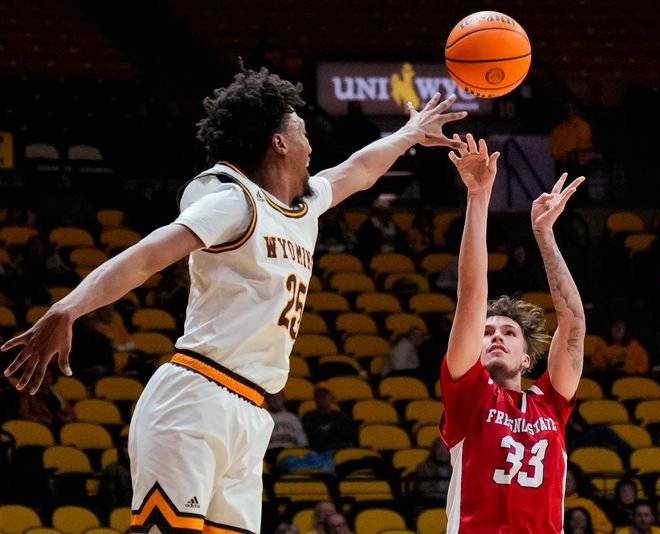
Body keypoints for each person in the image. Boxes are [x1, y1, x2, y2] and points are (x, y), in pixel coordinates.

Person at [2, 63, 466, 534]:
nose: (311, 146)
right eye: (303, 132)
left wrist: (410, 133)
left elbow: (358, 171)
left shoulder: (303, 207)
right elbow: (145, 257)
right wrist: (68, 308)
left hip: (250, 410)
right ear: (279, 143)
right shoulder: (234, 201)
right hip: (195, 399)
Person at [439, 133, 587, 532]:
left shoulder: (551, 403)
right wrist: (479, 196)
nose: (496, 336)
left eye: (508, 331)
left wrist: (545, 235)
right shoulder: (468, 397)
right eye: (486, 333)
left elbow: (573, 324)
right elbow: (471, 295)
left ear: (526, 357)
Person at [302, 383, 358, 452]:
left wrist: (331, 428)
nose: (323, 398)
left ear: (332, 398)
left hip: (345, 448)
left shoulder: (341, 415)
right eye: (319, 396)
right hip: (324, 450)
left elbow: (352, 434)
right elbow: (313, 437)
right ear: (315, 399)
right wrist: (335, 430)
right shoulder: (309, 416)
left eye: (326, 395)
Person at [16, 365, 75, 429]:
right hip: (40, 428)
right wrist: (41, 420)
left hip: (61, 426)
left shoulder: (57, 394)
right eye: (43, 376)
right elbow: (24, 414)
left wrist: (65, 418)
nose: (46, 379)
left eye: (49, 377)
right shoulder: (27, 394)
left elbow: (69, 412)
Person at [265, 391, 308, 464]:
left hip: (291, 451)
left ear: (283, 399)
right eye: (272, 397)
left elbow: (301, 438)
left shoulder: (292, 417)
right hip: (271, 452)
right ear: (267, 400)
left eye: (278, 397)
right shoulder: (263, 417)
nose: (275, 400)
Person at [414, 437, 452, 503]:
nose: (442, 452)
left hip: (450, 504)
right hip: (430, 503)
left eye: (445, 449)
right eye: (439, 448)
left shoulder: (454, 469)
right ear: (434, 451)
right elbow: (424, 490)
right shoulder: (424, 467)